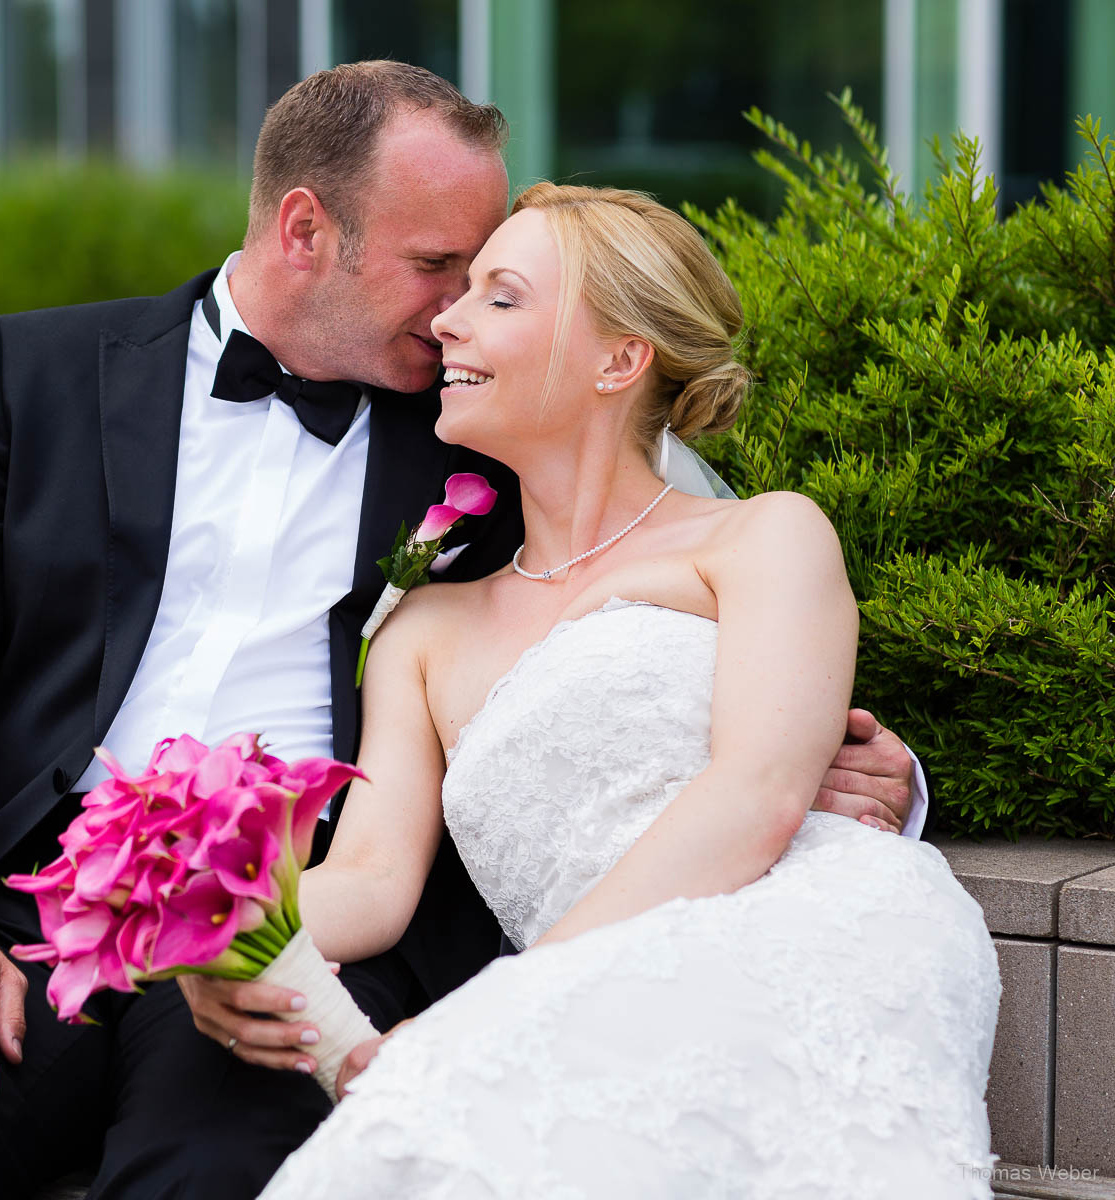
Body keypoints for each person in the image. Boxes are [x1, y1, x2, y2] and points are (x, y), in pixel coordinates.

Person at [0, 64, 926, 1200]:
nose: (453, 312)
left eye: (485, 282)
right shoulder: (29, 374)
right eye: (439, 267)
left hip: (315, 923)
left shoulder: (482, 423)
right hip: (43, 911)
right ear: (305, 229)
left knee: (214, 1176)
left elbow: (625, 605)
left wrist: (845, 758)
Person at [240, 184, 999, 1199]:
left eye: (498, 297)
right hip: (571, 996)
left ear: (619, 359)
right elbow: (373, 882)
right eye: (456, 292)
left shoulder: (763, 538)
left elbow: (757, 797)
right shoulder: (423, 628)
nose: (446, 319)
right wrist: (208, 916)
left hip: (810, 930)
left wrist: (511, 1005)